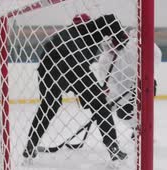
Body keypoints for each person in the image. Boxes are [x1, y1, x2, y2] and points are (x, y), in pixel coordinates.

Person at [23, 13, 129, 161]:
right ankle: (113, 147)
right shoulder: (89, 28)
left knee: (48, 106)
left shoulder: (64, 33)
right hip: (73, 63)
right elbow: (109, 19)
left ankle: (31, 144)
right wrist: (120, 36)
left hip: (47, 65)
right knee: (100, 105)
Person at [95, 28, 162, 139]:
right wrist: (112, 97)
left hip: (144, 86)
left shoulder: (132, 47)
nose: (109, 48)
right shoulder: (104, 59)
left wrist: (144, 39)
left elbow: (156, 54)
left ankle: (145, 132)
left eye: (111, 44)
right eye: (106, 45)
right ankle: (136, 128)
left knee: (144, 112)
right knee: (122, 115)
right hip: (123, 93)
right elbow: (107, 82)